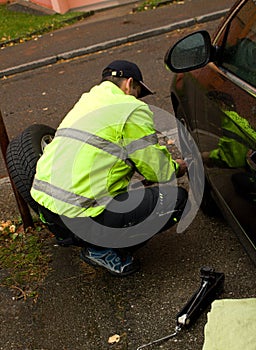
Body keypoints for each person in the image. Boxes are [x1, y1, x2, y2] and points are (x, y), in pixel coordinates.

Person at [31, 60, 188, 277]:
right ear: (129, 83)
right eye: (137, 92)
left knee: (126, 192)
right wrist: (175, 167)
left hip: (48, 212)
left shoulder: (87, 101)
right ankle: (104, 250)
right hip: (81, 216)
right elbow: (156, 170)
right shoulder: (131, 108)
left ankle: (86, 240)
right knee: (177, 200)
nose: (136, 98)